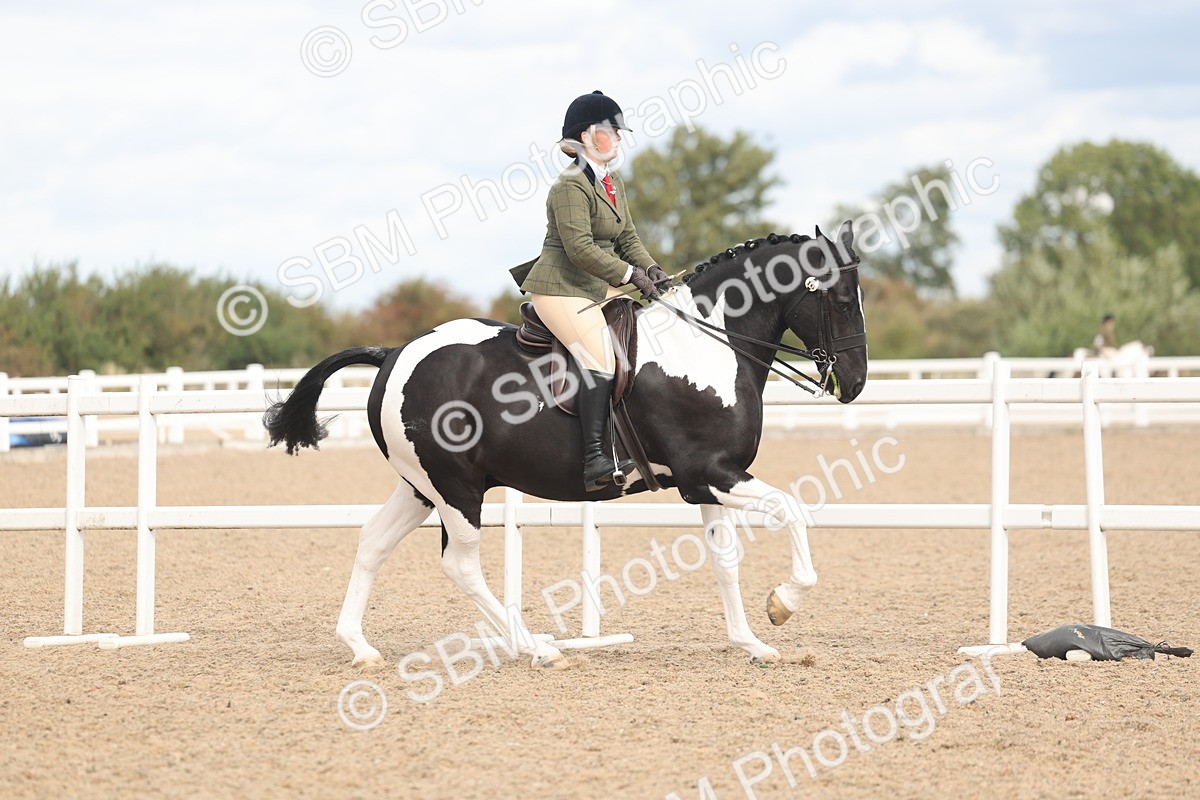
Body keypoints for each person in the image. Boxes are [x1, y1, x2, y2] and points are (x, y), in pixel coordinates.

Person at [509, 90, 670, 491]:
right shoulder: (568, 187)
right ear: (585, 136)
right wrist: (631, 274)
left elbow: (628, 237)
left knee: (644, 334)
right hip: (560, 288)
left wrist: (650, 267)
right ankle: (595, 457)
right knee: (600, 357)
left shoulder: (611, 181)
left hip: (595, 287)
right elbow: (580, 249)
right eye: (610, 130)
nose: (618, 137)